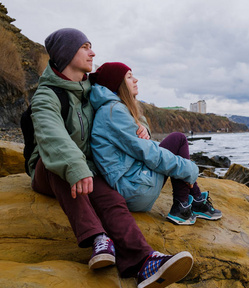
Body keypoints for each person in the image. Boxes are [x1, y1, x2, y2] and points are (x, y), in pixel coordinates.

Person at [28, 28, 193, 288]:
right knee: (59, 167)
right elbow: (52, 136)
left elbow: (124, 107)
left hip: (87, 171)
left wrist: (143, 128)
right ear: (66, 53)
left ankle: (144, 263)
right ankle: (97, 238)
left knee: (111, 199)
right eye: (85, 47)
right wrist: (76, 166)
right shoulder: (46, 95)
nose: (92, 52)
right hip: (49, 171)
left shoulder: (91, 89)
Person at [88, 62, 222, 225]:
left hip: (130, 182)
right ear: (117, 84)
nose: (136, 80)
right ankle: (184, 205)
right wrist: (189, 168)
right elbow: (148, 152)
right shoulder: (113, 111)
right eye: (129, 77)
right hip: (134, 189)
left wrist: (144, 128)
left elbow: (143, 146)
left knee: (174, 147)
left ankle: (194, 201)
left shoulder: (113, 109)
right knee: (178, 140)